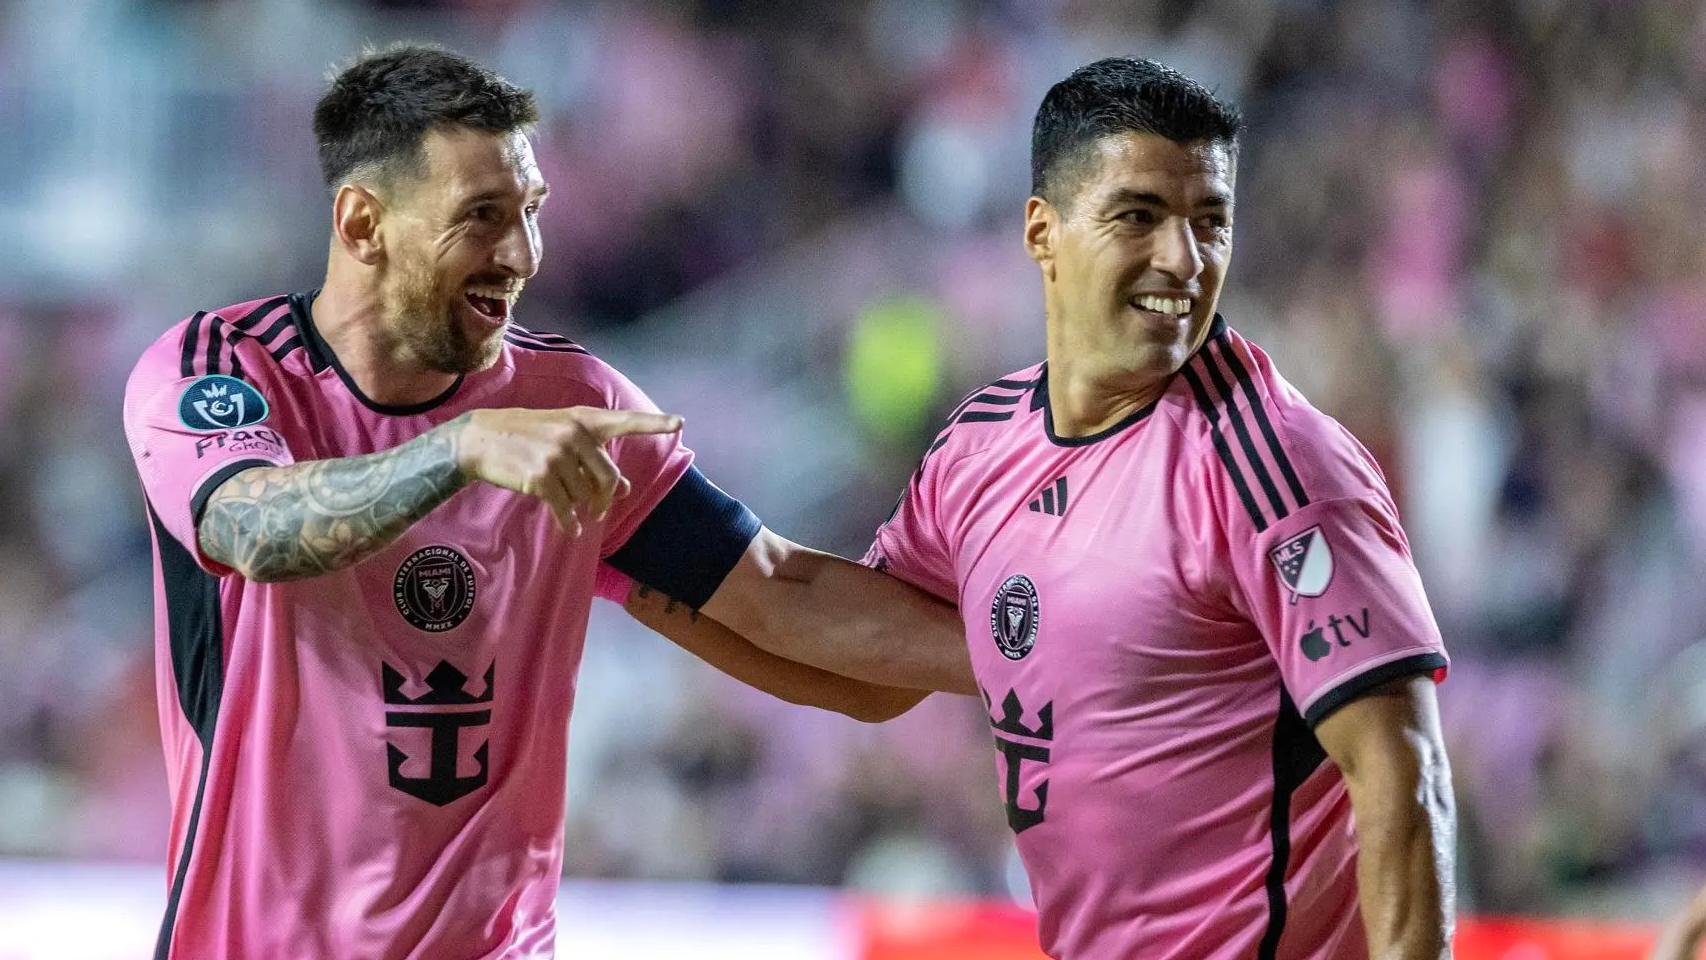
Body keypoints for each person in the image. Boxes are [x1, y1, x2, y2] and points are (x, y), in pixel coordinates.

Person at [121, 45, 971, 960]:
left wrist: (1078, 655)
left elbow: (783, 598)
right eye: (481, 218)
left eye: (530, 212)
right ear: (364, 223)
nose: (521, 254)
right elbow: (253, 527)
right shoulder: (219, 368)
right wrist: (459, 449)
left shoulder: (572, 401)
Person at [667, 58, 1458, 959]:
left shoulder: (1274, 462)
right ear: (1043, 232)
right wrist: (634, 554)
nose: (1184, 258)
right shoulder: (981, 448)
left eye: (1211, 222)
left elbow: (1404, 773)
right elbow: (860, 658)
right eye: (1140, 217)